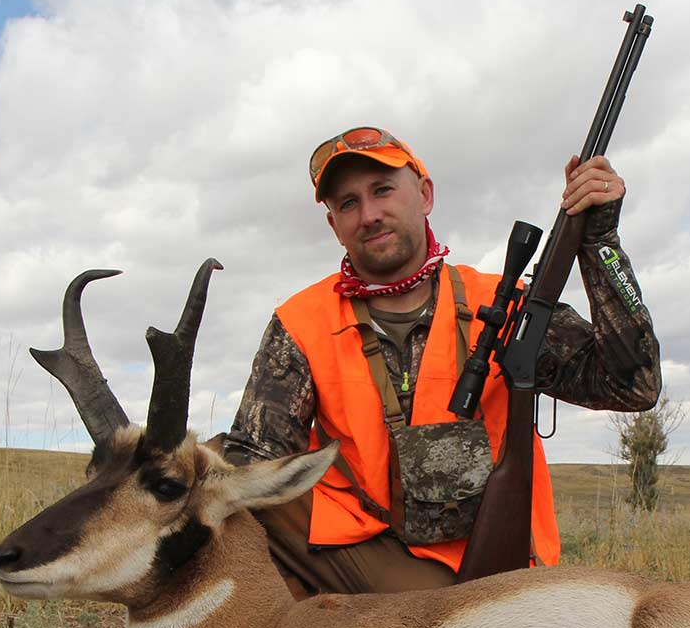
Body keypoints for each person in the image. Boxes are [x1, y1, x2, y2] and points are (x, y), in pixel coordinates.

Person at [224, 126, 660, 597]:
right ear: (334, 225)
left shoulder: (506, 304)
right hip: (364, 556)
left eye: (383, 190)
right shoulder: (301, 323)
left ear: (425, 195)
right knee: (219, 473)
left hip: (490, 564)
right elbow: (256, 458)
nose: (369, 215)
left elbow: (631, 385)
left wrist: (601, 245)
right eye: (348, 203)